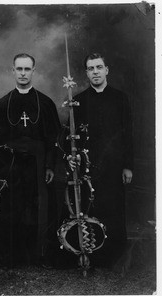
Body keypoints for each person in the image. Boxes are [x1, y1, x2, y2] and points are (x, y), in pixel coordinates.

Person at [0, 53, 61, 268]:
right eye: (19, 69)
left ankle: (38, 255)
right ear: (13, 71)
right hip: (11, 168)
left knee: (37, 209)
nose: (22, 73)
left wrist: (49, 165)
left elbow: (53, 138)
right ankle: (14, 256)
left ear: (33, 71)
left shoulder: (45, 103)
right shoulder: (3, 103)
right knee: (13, 208)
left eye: (27, 69)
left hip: (37, 166)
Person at [67, 53, 133, 268]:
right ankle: (94, 255)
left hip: (115, 165)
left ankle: (116, 256)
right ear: (86, 73)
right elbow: (71, 136)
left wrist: (127, 166)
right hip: (89, 165)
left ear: (107, 69)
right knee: (91, 206)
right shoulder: (79, 101)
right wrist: (73, 157)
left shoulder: (120, 98)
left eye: (98, 67)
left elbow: (128, 134)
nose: (95, 72)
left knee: (114, 208)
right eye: (90, 68)